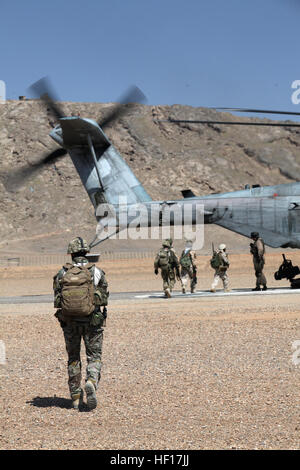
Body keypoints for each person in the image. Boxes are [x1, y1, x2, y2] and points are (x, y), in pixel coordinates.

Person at [53, 237, 109, 410]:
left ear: (71, 253)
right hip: (92, 321)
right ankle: (91, 380)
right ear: (86, 252)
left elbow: (57, 300)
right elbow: (104, 297)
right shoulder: (96, 271)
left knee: (73, 358)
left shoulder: (63, 273)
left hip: (70, 323)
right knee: (94, 356)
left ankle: (76, 396)